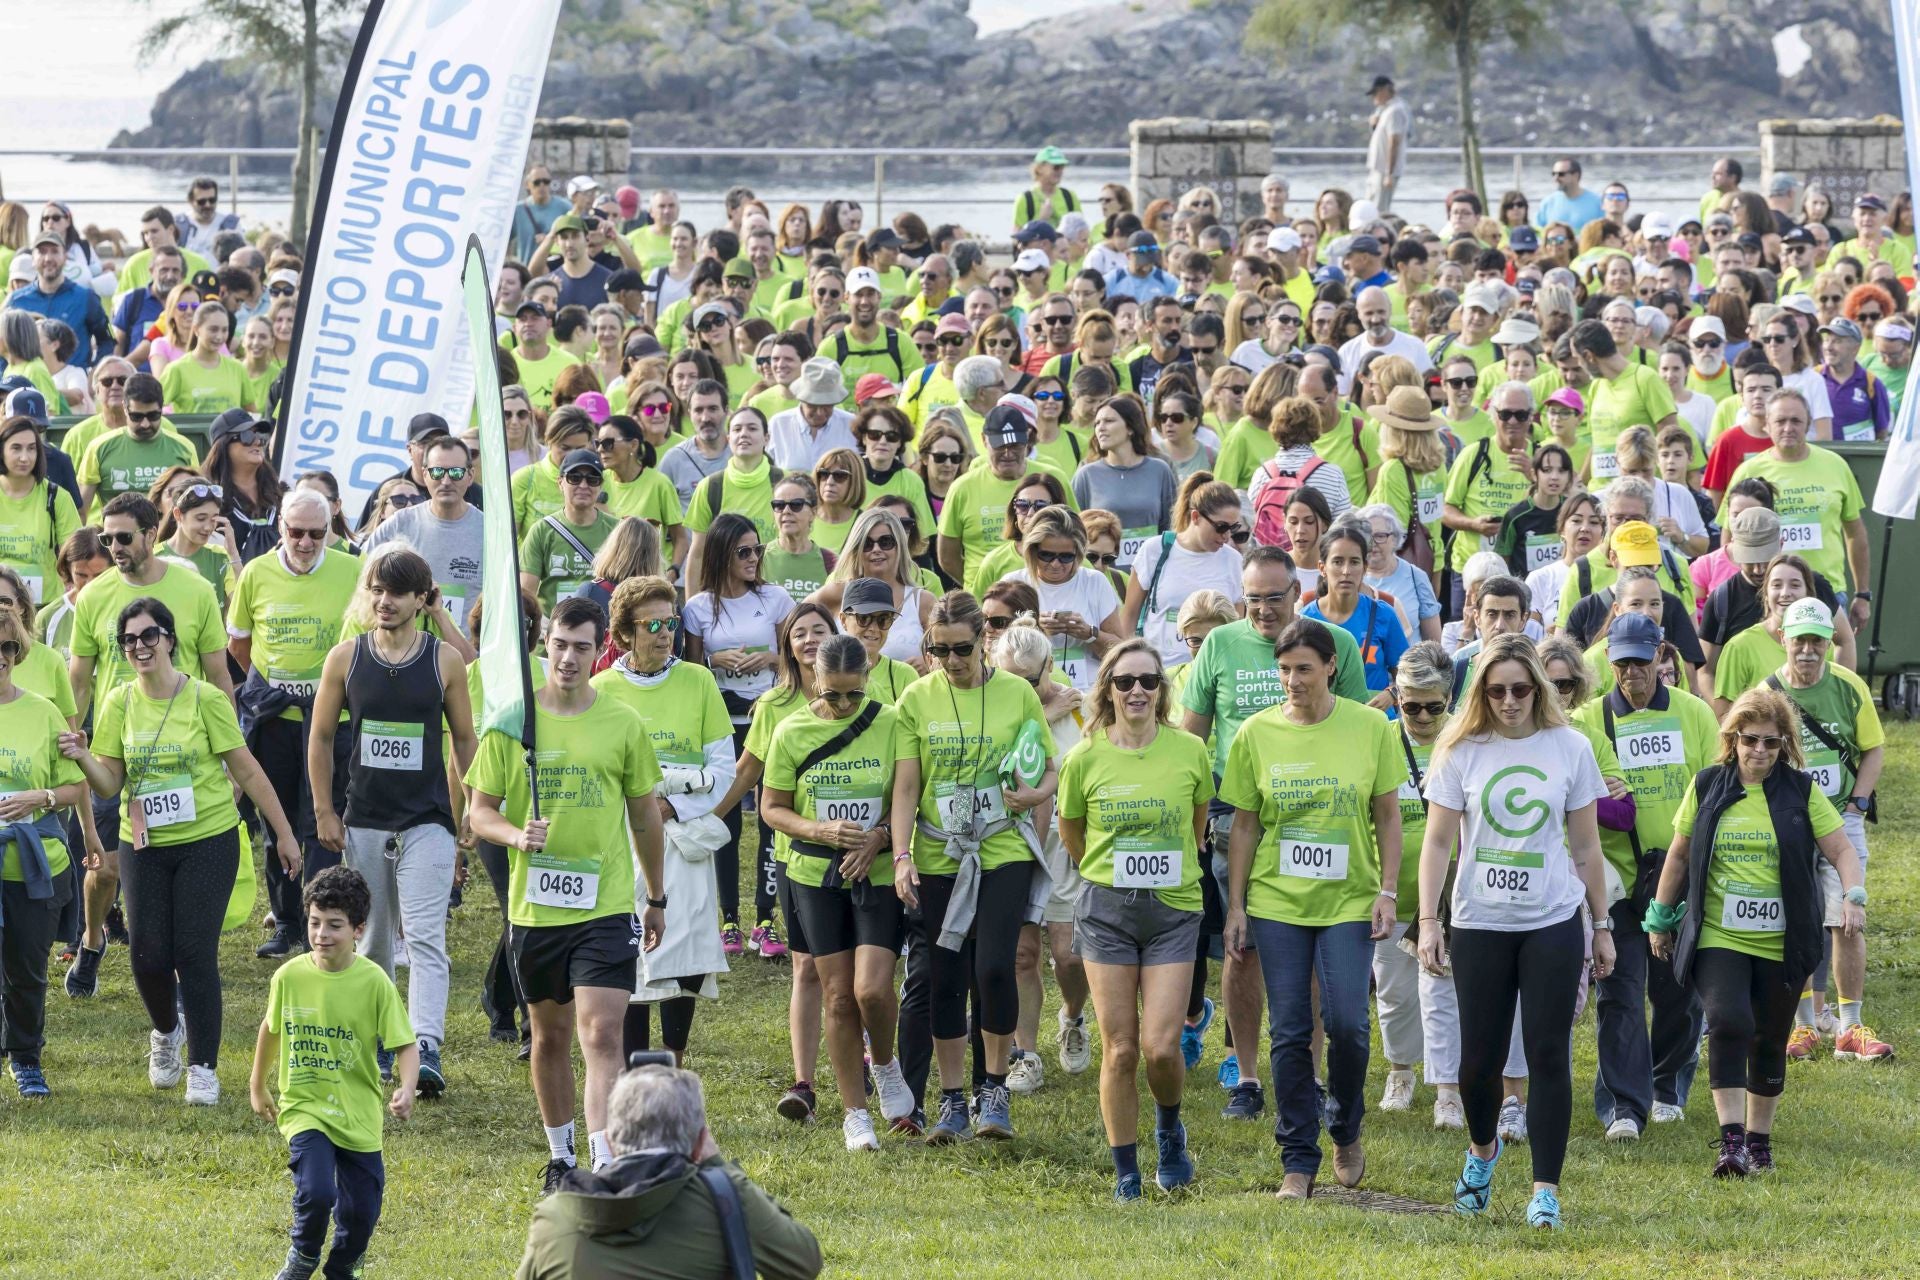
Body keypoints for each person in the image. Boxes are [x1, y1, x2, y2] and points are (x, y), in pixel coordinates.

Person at [466, 596, 668, 1191]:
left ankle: (605, 1162)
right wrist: (514, 835)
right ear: (544, 644)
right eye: (560, 643)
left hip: (603, 904)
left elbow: (645, 818)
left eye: (583, 646)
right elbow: (480, 812)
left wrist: (655, 896)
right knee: (549, 1036)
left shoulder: (622, 723)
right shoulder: (512, 721)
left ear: (600, 647)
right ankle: (561, 1156)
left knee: (602, 1031)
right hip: (535, 909)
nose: (570, 657)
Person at [63, 595, 299, 1104]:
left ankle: (203, 1069)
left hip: (207, 841)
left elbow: (246, 770)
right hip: (143, 843)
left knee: (193, 952)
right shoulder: (119, 703)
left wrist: (283, 831)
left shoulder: (206, 700)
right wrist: (83, 756)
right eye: (129, 641)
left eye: (150, 636)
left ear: (169, 639)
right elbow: (108, 785)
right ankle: (168, 1032)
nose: (140, 647)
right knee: (147, 956)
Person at [1415, 633, 1614, 1230]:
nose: (1508, 701)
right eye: (1496, 690)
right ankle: (1482, 1154)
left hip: (1552, 921)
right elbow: (1438, 842)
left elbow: (1586, 846)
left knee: (1550, 1054)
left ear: (1539, 689)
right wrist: (1429, 921)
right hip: (1479, 922)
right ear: (1481, 690)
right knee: (1479, 1061)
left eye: (1520, 689)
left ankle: (1545, 1190)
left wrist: (1601, 926)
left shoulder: (1570, 748)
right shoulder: (1460, 749)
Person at [1646, 685, 1865, 1177]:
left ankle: (1760, 1142)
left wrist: (1853, 895)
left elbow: (1842, 851)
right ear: (1733, 740)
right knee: (1727, 1021)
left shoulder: (1801, 791)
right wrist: (1660, 918)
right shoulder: (1707, 785)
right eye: (1750, 741)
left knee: (1769, 1036)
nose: (1760, 751)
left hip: (1784, 940)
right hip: (1719, 934)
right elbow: (1679, 854)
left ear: (1783, 742)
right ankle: (1731, 1141)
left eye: (1770, 742)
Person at [1221, 618, 1403, 1200]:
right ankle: (1297, 1159)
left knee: (1349, 1023)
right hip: (1277, 899)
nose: (1293, 680)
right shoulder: (1255, 732)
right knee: (1292, 1028)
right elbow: (1245, 825)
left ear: (1330, 667)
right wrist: (1237, 905)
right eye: (1284, 669)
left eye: (1304, 668)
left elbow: (1388, 815)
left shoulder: (1371, 727)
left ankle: (1345, 1126)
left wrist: (1389, 889)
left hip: (1350, 898)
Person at [306, 548, 476, 1098]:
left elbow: (465, 740)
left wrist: (473, 804)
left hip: (428, 819)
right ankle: (383, 1036)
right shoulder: (346, 658)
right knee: (374, 938)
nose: (384, 601)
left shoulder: (444, 660)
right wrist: (325, 810)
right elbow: (322, 738)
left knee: (425, 936)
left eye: (398, 592)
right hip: (365, 819)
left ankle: (425, 1044)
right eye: (377, 589)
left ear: (422, 600)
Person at [889, 590, 1057, 1143]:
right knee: (945, 975)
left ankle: (995, 1089)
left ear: (984, 641)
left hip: (1002, 849)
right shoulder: (916, 699)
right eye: (940, 651)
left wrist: (1034, 798)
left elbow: (1049, 772)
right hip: (941, 853)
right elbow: (908, 785)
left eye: (962, 649)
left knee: (992, 967)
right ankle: (953, 1099)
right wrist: (902, 855)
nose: (952, 661)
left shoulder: (1017, 694)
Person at [1058, 639, 1212, 1197]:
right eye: (1125, 682)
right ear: (1108, 690)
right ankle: (1127, 1172)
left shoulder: (1190, 750)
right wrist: (1111, 873)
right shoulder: (1084, 757)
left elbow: (1198, 830)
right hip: (1107, 913)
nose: (1138, 691)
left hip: (1174, 911)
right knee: (1119, 1048)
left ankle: (1169, 1129)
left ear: (1162, 690)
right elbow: (1072, 835)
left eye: (1149, 681)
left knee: (1161, 1048)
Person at [62, 493, 232, 998]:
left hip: (182, 752)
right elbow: (79, 676)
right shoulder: (93, 598)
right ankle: (93, 940)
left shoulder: (195, 589)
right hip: (118, 750)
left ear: (151, 532)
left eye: (123, 537)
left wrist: (228, 750)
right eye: (106, 537)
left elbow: (219, 672)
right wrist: (76, 743)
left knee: (173, 864)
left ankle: (179, 972)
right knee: (106, 866)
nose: (113, 547)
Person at [761, 631, 917, 1150]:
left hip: (873, 871)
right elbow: (772, 807)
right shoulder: (790, 731)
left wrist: (882, 839)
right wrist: (818, 830)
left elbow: (907, 798)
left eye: (855, 693)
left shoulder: (892, 722)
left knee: (871, 989)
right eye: (833, 695)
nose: (846, 704)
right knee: (837, 995)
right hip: (814, 875)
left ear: (868, 679)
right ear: (814, 682)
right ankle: (856, 1111)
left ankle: (887, 1064)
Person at [1568, 612, 1720, 1139]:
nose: (1632, 672)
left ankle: (1667, 1085)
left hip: (1677, 874)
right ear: (1609, 662)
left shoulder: (1694, 713)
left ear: (1661, 655)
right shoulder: (1588, 721)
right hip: (1613, 876)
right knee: (1619, 990)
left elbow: (1712, 790)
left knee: (1679, 987)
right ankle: (1623, 1106)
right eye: (1622, 662)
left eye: (1641, 659)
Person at [590, 578, 733, 1071]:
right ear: (624, 633)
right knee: (628, 952)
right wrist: (638, 806)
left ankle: (671, 1061)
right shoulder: (601, 688)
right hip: (621, 840)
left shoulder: (699, 681)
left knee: (686, 951)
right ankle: (633, 1068)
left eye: (670, 622)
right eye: (652, 624)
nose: (664, 633)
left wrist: (668, 805)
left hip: (684, 836)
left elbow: (723, 772)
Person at [250, 866, 418, 1280]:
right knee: (317, 1190)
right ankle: (303, 1255)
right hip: (304, 1106)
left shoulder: (374, 982)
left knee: (362, 1210)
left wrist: (408, 1088)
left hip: (359, 1114)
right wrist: (258, 1085)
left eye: (335, 925)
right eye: (314, 923)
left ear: (359, 929)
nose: (322, 933)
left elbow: (405, 1045)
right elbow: (271, 1029)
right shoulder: (289, 977)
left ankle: (343, 1267)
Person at [515, 1063, 824, 1280]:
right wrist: (719, 1169)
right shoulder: (724, 1201)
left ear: (609, 1140)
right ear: (700, 1142)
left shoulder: (556, 1216)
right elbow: (802, 1264)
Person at [227, 489, 362, 958]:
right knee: (276, 820)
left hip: (333, 719)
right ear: (279, 526)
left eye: (316, 534)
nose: (305, 542)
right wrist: (273, 689)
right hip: (276, 719)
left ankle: (321, 924)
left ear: (330, 530)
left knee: (324, 822)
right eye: (295, 532)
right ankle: (286, 921)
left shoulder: (351, 568)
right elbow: (239, 644)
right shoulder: (258, 573)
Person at [1766, 598, 1891, 1063]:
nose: (1807, 650)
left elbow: (1873, 748)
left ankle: (1849, 1026)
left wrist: (1858, 803)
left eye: (1817, 641)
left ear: (1828, 643)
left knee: (1847, 920)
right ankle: (1801, 1028)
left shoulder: (1850, 687)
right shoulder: (1768, 693)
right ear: (1784, 638)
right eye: (1799, 639)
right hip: (1790, 826)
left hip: (1841, 821)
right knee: (1794, 923)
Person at [682, 512, 797, 955]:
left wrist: (769, 659)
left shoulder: (775, 599)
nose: (753, 558)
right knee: (724, 816)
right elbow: (692, 674)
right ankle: (728, 920)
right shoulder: (697, 607)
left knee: (772, 816)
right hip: (720, 724)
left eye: (757, 550)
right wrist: (717, 662)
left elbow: (797, 659)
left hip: (769, 720)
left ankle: (765, 921)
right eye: (743, 551)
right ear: (720, 555)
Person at [0, 605, 86, 1099]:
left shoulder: (43, 711)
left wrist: (42, 797)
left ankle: (26, 1058)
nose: (0, 657)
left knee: (27, 970)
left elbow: (76, 788)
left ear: (18, 651)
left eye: (7, 647)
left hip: (34, 865)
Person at [1720, 388, 1871, 631]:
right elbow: (1729, 537)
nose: (1788, 427)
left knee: (1825, 664)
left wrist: (1863, 593)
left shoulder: (1835, 465)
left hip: (1826, 589)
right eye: (1780, 421)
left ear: (1808, 424)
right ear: (1767, 424)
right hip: (1767, 592)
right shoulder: (1749, 471)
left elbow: (1855, 533)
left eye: (1796, 420)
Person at [360, 436, 485, 638]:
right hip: (402, 652)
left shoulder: (490, 532)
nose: (446, 481)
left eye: (456, 472)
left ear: (470, 476)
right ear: (425, 475)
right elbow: (361, 583)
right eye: (437, 472)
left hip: (463, 656)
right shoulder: (399, 525)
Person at [1121, 474, 1244, 668]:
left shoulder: (1234, 560)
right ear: (1195, 516)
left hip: (1214, 672)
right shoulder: (1155, 550)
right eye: (1221, 527)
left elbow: (1238, 626)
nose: (1227, 536)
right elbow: (1129, 616)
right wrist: (1128, 664)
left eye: (1233, 527)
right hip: (1159, 673)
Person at [1006, 505, 1124, 690]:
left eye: (1066, 557)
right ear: (1032, 550)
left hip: (1089, 692)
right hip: (1030, 693)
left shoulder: (1094, 582)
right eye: (1046, 555)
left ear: (1078, 554)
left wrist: (1089, 633)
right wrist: (1034, 629)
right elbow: (994, 647)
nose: (1055, 564)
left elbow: (1121, 651)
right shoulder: (1014, 584)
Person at [1304, 521, 1407, 698]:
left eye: (1354, 562)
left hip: (1376, 719)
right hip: (1326, 721)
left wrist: (1392, 694)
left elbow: (1408, 676)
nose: (1346, 571)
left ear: (1364, 567)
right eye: (1337, 562)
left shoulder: (1383, 614)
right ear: (1322, 568)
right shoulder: (1305, 621)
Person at [518, 448, 619, 612]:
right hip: (554, 631)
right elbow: (526, 594)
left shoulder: (618, 531)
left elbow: (631, 589)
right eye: (575, 478)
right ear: (560, 483)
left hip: (603, 633)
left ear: (600, 486)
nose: (583, 485)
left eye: (592, 479)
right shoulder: (542, 530)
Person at [0, 413, 81, 609]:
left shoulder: (57, 497)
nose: (24, 457)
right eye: (16, 448)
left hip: (45, 606)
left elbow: (75, 555)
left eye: (32, 448)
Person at [1364, 76, 1409, 213]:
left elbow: (1394, 142)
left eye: (1375, 93)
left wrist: (1389, 174)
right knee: (1370, 206)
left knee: (1379, 209)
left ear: (1384, 90)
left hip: (1385, 171)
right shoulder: (1386, 110)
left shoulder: (1396, 110)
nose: (1374, 98)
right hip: (1377, 169)